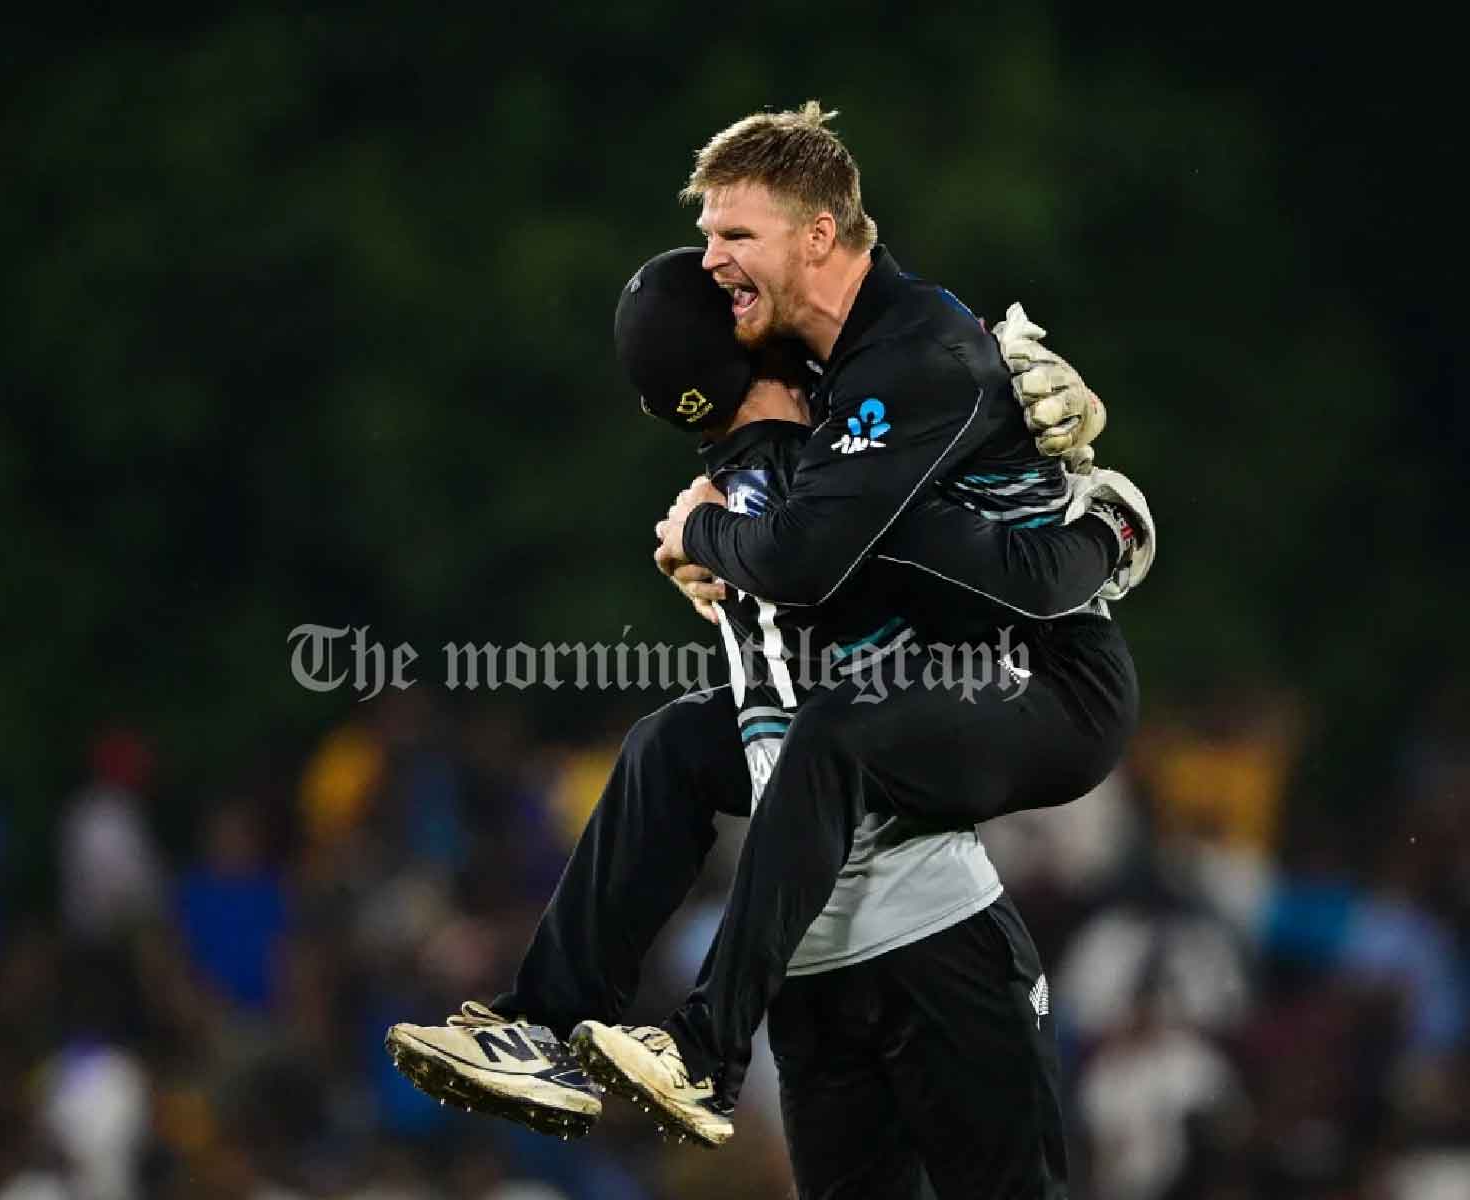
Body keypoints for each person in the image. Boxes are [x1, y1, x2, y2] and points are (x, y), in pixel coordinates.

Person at [389, 243, 1147, 1197]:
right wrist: (1112, 515)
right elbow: (1025, 572)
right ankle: (692, 1044)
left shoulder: (725, 501)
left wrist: (697, 533)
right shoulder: (848, 485)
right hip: (933, 934)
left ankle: (544, 1024)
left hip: (809, 969)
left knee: (669, 742)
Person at [565, 103, 1151, 1171]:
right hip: (942, 677)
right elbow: (792, 541)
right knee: (678, 740)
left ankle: (705, 1045)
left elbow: (976, 572)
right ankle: (553, 1023)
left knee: (836, 723)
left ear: (819, 234)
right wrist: (714, 545)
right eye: (706, 235)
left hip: (1047, 675)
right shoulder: (814, 359)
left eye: (734, 234)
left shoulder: (915, 354)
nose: (711, 260)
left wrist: (1112, 519)